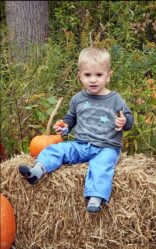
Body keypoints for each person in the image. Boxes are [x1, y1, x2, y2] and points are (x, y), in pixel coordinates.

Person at [19, 47, 134, 213]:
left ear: (108, 76)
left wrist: (125, 121)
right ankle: (37, 171)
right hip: (81, 144)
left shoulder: (115, 99)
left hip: (107, 147)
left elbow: (129, 120)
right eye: (88, 75)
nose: (93, 80)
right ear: (80, 75)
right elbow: (70, 118)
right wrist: (64, 126)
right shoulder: (78, 99)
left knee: (101, 166)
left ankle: (95, 197)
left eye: (99, 75)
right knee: (56, 149)